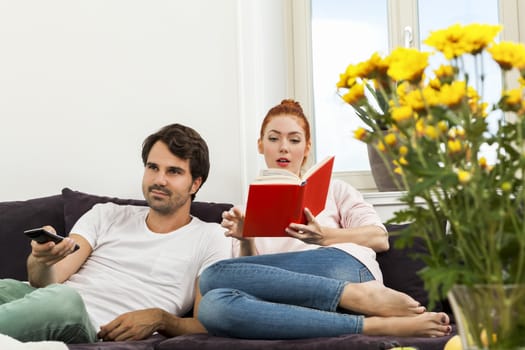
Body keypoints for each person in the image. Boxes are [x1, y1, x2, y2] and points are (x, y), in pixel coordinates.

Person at [197, 99, 452, 339]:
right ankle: (371, 323)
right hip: (294, 304)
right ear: (260, 145)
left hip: (344, 270)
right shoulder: (244, 211)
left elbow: (380, 238)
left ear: (307, 147)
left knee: (212, 276)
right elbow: (249, 279)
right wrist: (247, 238)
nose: (283, 147)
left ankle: (357, 294)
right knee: (213, 306)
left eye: (294, 140)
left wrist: (325, 236)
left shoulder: (335, 189)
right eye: (273, 138)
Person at [0, 123, 232, 343]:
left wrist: (160, 318)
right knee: (7, 286)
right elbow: (46, 282)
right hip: (46, 302)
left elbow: (207, 323)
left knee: (65, 300)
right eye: (153, 168)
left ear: (195, 184)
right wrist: (41, 260)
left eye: (173, 172)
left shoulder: (212, 237)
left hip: (87, 322)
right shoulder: (107, 214)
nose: (159, 180)